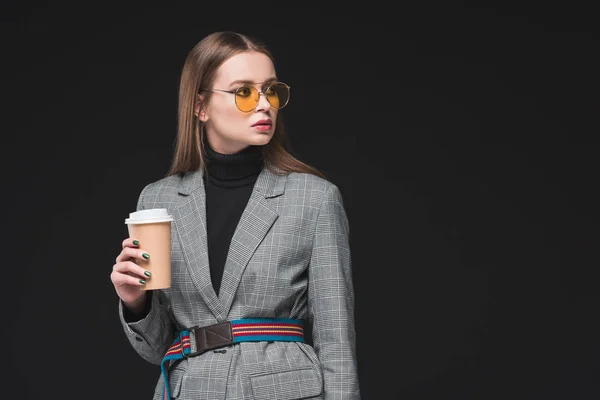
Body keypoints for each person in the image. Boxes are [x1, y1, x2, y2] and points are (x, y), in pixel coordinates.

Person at [110, 31, 360, 400]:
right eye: (244, 92)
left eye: (271, 90)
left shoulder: (314, 198)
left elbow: (336, 338)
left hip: (284, 389)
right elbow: (159, 347)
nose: (264, 104)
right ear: (201, 106)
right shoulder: (158, 200)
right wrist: (136, 302)